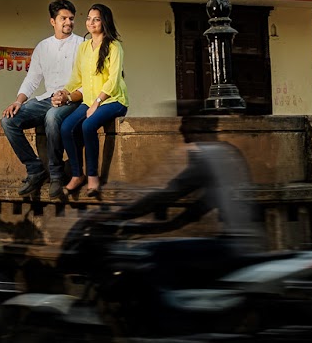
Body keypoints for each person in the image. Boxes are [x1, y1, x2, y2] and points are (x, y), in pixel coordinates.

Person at [98, 111, 260, 288]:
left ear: (198, 128)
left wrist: (116, 216)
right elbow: (200, 207)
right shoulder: (227, 151)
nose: (181, 129)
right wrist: (159, 228)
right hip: (243, 241)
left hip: (232, 245)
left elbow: (169, 193)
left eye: (186, 123)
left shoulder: (209, 156)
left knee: (156, 255)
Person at [1, 0, 85, 200]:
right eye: (63, 18)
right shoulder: (43, 47)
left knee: (51, 117)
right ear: (52, 21)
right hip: (47, 98)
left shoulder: (83, 45)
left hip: (73, 99)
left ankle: (56, 175)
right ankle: (35, 169)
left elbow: (89, 80)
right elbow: (32, 79)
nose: (68, 22)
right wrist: (18, 101)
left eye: (71, 18)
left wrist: (67, 95)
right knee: (9, 120)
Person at [60, 3, 128, 198]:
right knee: (66, 127)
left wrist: (97, 102)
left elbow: (113, 81)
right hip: (89, 101)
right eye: (89, 18)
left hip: (113, 100)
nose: (91, 22)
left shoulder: (114, 46)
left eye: (96, 19)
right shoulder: (83, 47)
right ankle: (77, 174)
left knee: (88, 126)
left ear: (104, 21)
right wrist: (65, 92)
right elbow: (76, 77)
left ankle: (93, 178)